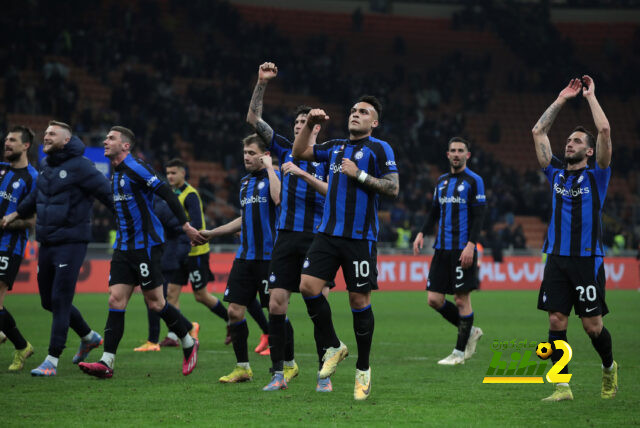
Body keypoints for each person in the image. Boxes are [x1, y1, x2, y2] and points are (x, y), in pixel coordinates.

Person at [292, 95, 399, 401]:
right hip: (327, 234)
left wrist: (360, 175)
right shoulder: (336, 147)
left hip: (359, 237)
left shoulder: (380, 148)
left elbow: (393, 187)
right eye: (353, 110)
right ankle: (334, 345)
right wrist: (311, 124)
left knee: (357, 299)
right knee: (308, 286)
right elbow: (299, 151)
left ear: (373, 122)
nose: (355, 114)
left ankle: (363, 369)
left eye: (363, 112)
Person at [78, 126, 203, 378]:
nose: (105, 140)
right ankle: (107, 362)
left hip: (146, 246)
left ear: (125, 146)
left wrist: (186, 226)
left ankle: (188, 342)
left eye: (111, 138)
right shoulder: (115, 174)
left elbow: (166, 193)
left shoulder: (137, 168)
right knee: (115, 299)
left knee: (156, 302)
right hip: (123, 247)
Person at [246, 62, 333, 392]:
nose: (301, 126)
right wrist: (261, 83)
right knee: (276, 304)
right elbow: (253, 120)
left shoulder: (329, 157)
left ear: (316, 129)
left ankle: (324, 375)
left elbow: (336, 193)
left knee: (317, 308)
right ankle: (278, 374)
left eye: (307, 123)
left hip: (318, 240)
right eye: (298, 122)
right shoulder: (282, 148)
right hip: (285, 237)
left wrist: (304, 176)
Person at [2, 121, 111, 376]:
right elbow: (35, 198)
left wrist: (127, 221)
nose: (46, 137)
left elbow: (107, 193)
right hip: (48, 241)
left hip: (72, 242)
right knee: (48, 301)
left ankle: (52, 359)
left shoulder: (82, 166)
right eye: (46, 133)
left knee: (61, 299)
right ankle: (88, 336)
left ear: (65, 140)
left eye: (52, 134)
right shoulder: (47, 164)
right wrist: (14, 214)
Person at [531, 76, 617, 401]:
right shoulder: (554, 174)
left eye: (577, 141)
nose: (569, 143)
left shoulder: (598, 177)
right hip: (556, 258)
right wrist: (562, 98)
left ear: (590, 150)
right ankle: (562, 386)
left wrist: (591, 96)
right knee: (556, 320)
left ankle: (609, 367)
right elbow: (538, 132)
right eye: (568, 140)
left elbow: (605, 131)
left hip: (587, 261)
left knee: (592, 327)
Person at [200, 134, 281, 383]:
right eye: (245, 152)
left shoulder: (275, 177)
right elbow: (244, 218)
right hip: (245, 257)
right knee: (235, 312)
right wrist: (212, 233)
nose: (246, 157)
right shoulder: (245, 182)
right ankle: (243, 367)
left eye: (251, 153)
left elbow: (278, 199)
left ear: (264, 155)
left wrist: (270, 168)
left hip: (269, 257)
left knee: (277, 313)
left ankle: (285, 364)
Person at [412, 137, 486, 365]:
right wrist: (421, 233)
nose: (456, 154)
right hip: (441, 249)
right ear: (447, 154)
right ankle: (471, 330)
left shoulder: (474, 181)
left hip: (462, 249)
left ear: (467, 155)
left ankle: (459, 353)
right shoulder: (442, 181)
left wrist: (471, 245)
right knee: (434, 299)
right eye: (452, 150)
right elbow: (434, 211)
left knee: (462, 300)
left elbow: (479, 216)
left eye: (460, 150)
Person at [150, 158, 228, 347]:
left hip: (196, 252)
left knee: (201, 296)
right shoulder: (170, 194)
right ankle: (174, 335)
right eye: (167, 173)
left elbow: (197, 224)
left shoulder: (190, 194)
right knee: (171, 295)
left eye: (174, 172)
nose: (170, 176)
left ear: (183, 173)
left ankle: (231, 320)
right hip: (178, 252)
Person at [133, 196, 199, 352]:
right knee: (156, 299)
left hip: (165, 258)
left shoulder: (159, 206)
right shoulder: (148, 202)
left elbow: (182, 231)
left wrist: (177, 253)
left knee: (155, 299)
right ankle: (189, 326)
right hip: (156, 256)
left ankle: (153, 341)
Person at [0, 126, 38, 371]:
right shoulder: (1, 170)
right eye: (6, 139)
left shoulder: (33, 178)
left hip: (9, 245)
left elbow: (33, 221)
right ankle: (19, 343)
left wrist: (8, 221)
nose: (7, 143)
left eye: (12, 140)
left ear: (25, 146)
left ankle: (20, 344)